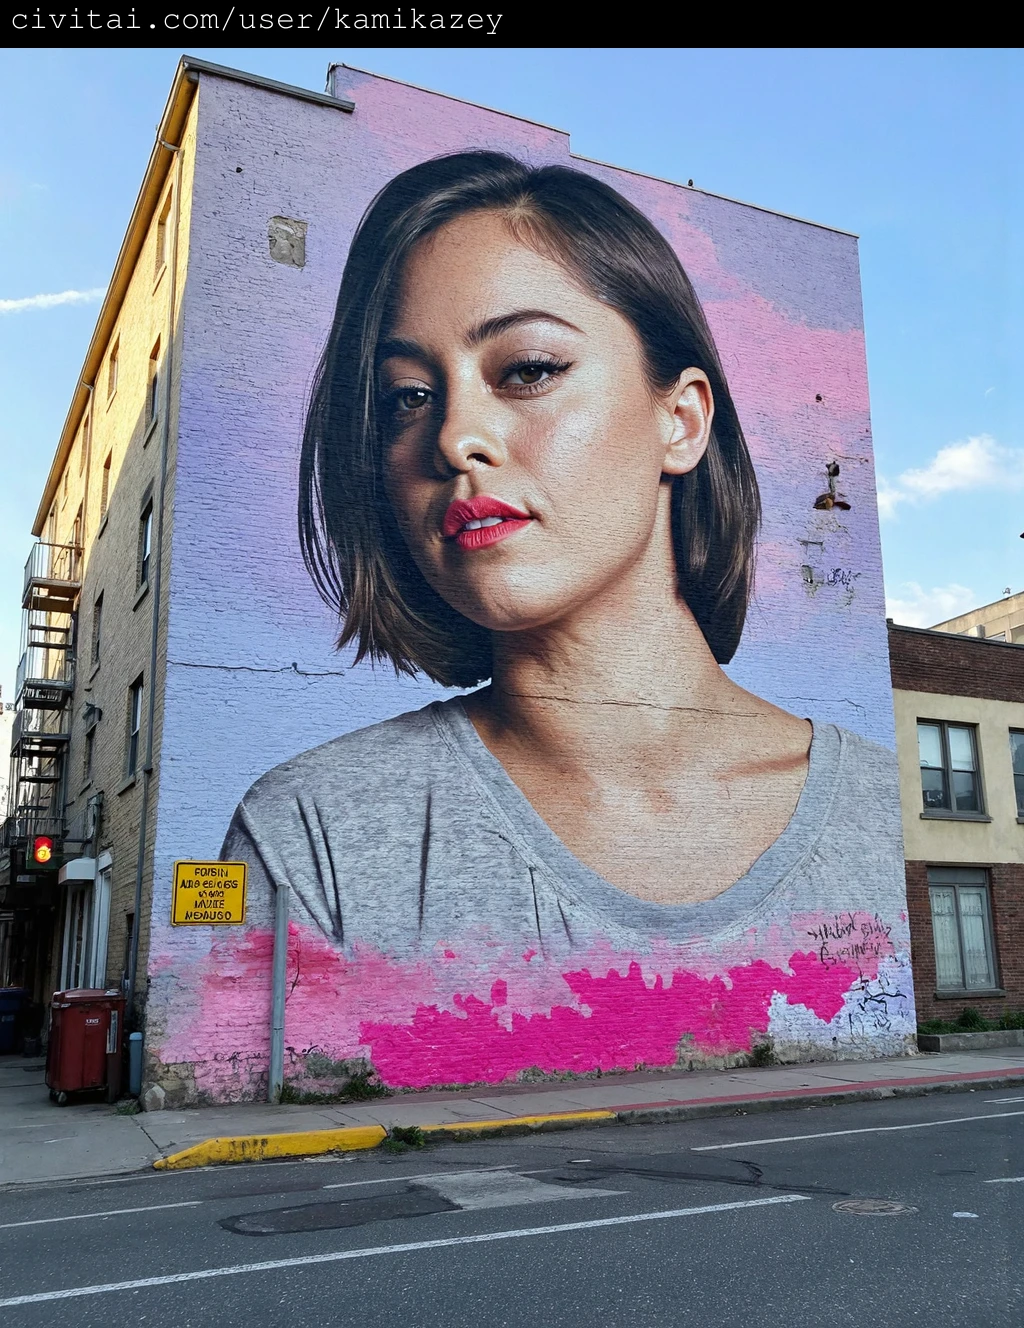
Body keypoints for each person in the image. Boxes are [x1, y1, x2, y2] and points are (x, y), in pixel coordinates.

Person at [221, 151, 902, 966]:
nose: (453, 437)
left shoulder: (878, 806)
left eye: (528, 370)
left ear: (680, 422)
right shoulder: (310, 832)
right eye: (407, 396)